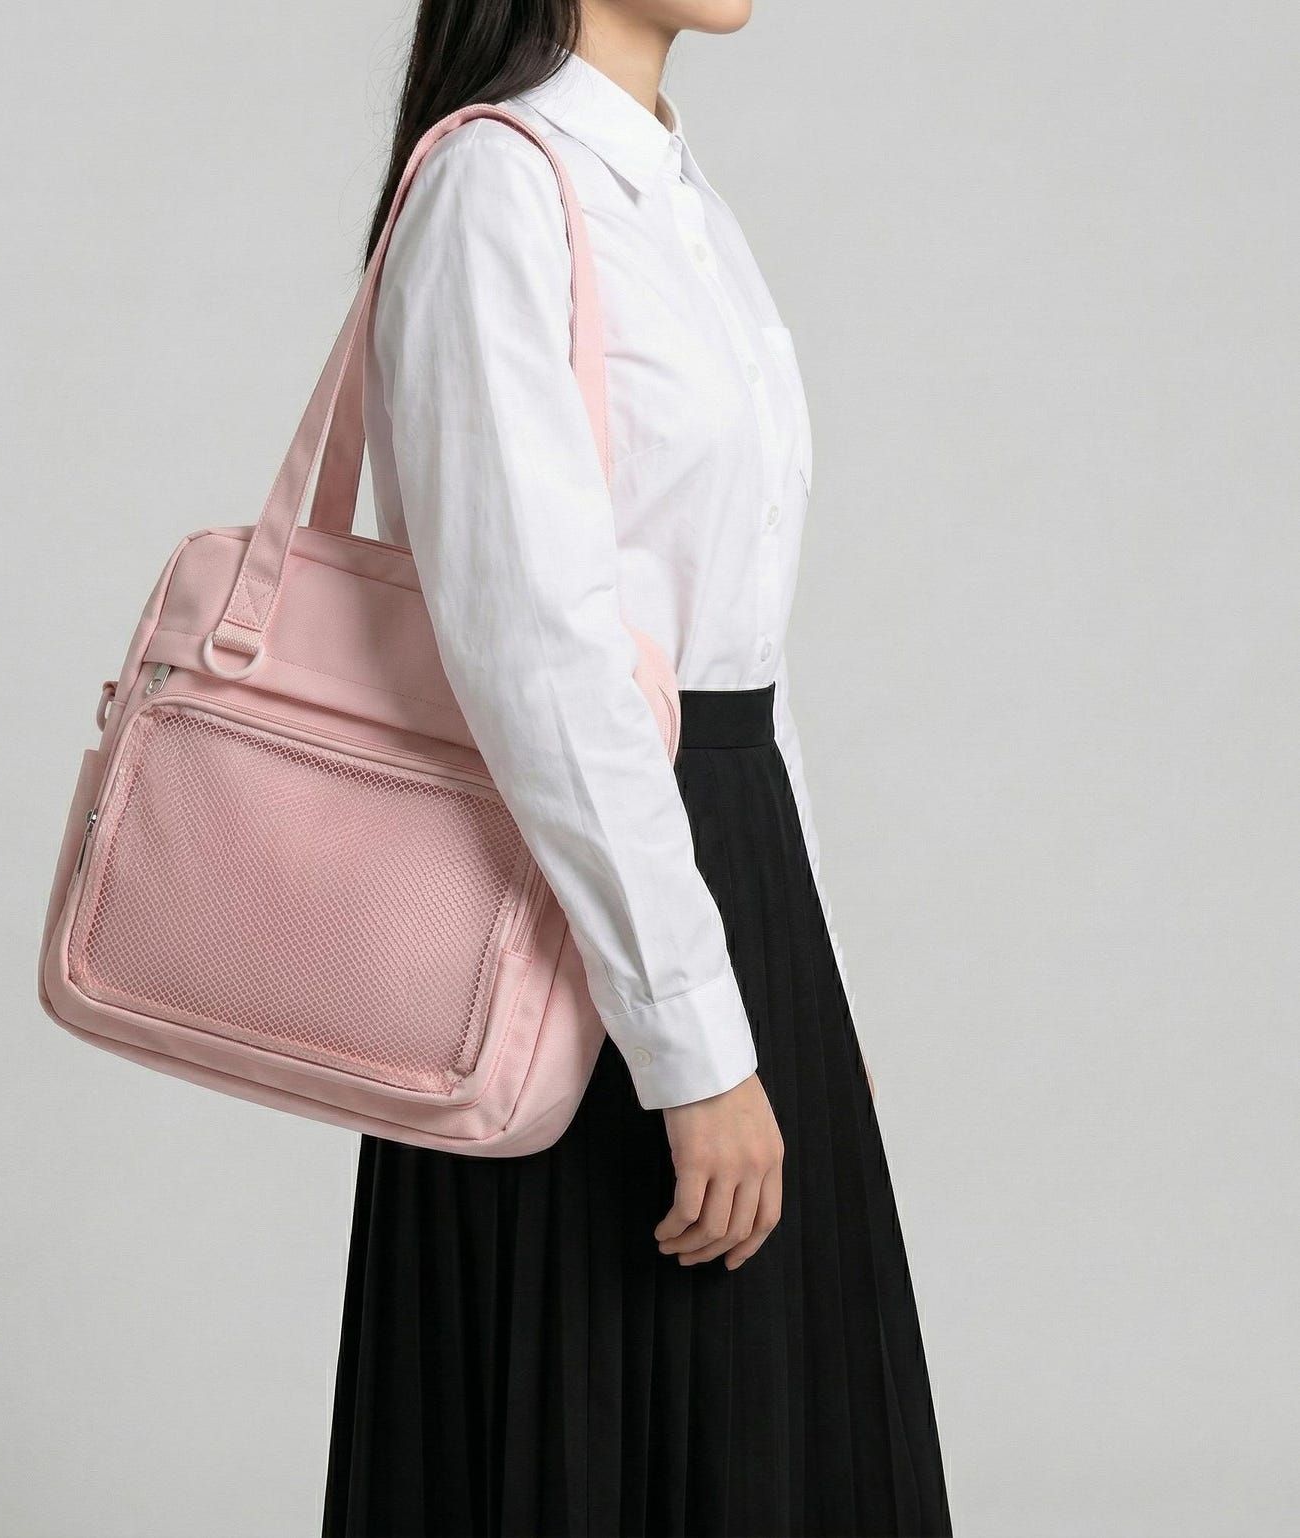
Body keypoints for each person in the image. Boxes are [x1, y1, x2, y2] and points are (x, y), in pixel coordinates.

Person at [322, 3, 952, 1533]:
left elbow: (736, 656)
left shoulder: (672, 191)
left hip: (720, 875)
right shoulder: (496, 187)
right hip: (580, 901)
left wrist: (807, 992)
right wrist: (689, 1046)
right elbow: (535, 654)